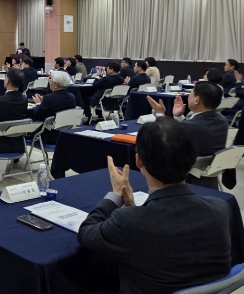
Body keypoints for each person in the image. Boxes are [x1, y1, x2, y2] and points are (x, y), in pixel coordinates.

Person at [77, 118, 232, 294]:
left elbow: (86, 234)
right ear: (191, 164)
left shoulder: (128, 222)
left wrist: (116, 194)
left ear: (139, 161)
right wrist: (132, 207)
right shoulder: (221, 209)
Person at [147, 81, 229, 189]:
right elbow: (191, 132)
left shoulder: (191, 126)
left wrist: (160, 114)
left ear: (197, 100)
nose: (189, 97)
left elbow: (164, 135)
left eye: (191, 94)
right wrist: (178, 117)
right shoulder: (222, 121)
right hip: (210, 180)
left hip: (185, 180)